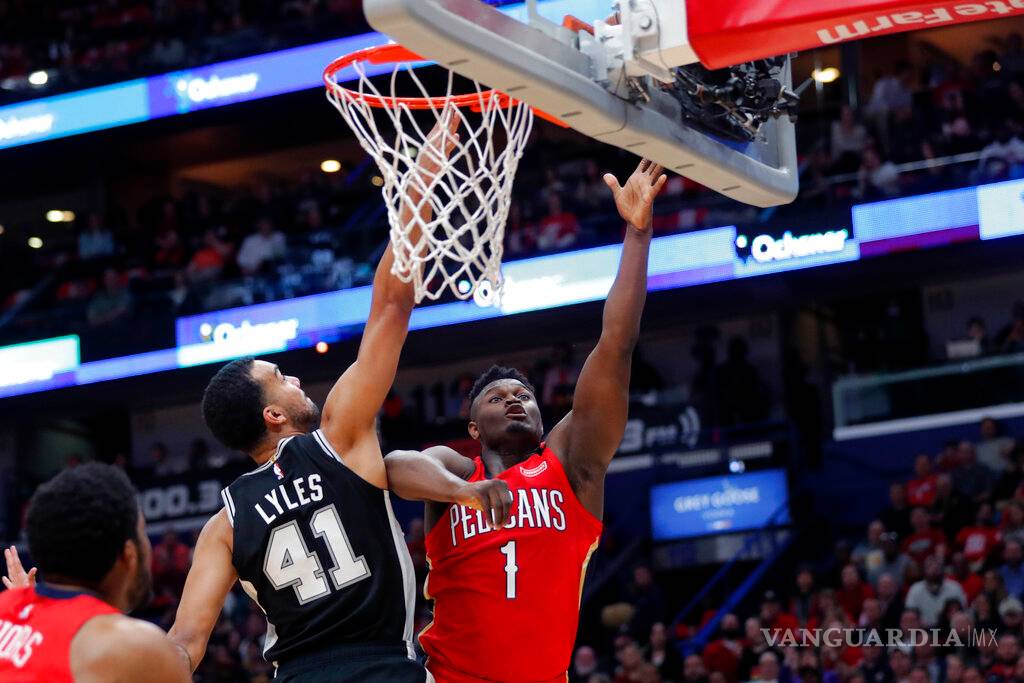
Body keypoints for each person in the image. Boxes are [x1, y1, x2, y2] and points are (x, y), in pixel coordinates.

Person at [165, 116, 511, 682]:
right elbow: (392, 308)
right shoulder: (339, 437)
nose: (296, 379)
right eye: (281, 377)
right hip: (384, 670)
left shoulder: (223, 525)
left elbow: (184, 646)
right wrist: (425, 174)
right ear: (272, 416)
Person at [385, 159, 668, 682]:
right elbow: (398, 466)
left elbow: (615, 348)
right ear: (473, 428)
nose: (515, 400)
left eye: (525, 395)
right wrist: (464, 492)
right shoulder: (457, 470)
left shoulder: (571, 468)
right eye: (496, 397)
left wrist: (637, 235)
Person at [0, 463, 189, 682]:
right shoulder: (138, 647)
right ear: (128, 554)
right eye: (142, 531)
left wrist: (35, 607)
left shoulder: (11, 611)